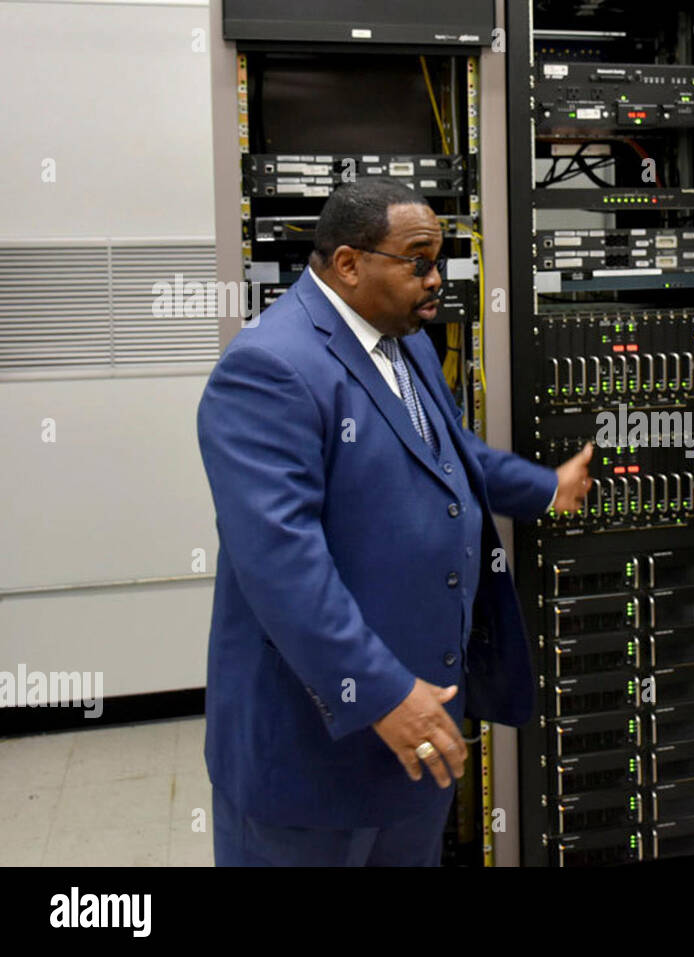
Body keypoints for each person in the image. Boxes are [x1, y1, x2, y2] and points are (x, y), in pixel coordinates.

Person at [197, 176, 592, 866]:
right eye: (419, 262)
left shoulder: (400, 339)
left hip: (416, 741)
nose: (435, 280)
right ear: (349, 263)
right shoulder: (269, 368)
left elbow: (451, 455)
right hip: (315, 758)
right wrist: (382, 693)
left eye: (438, 260)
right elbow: (283, 564)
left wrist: (544, 488)